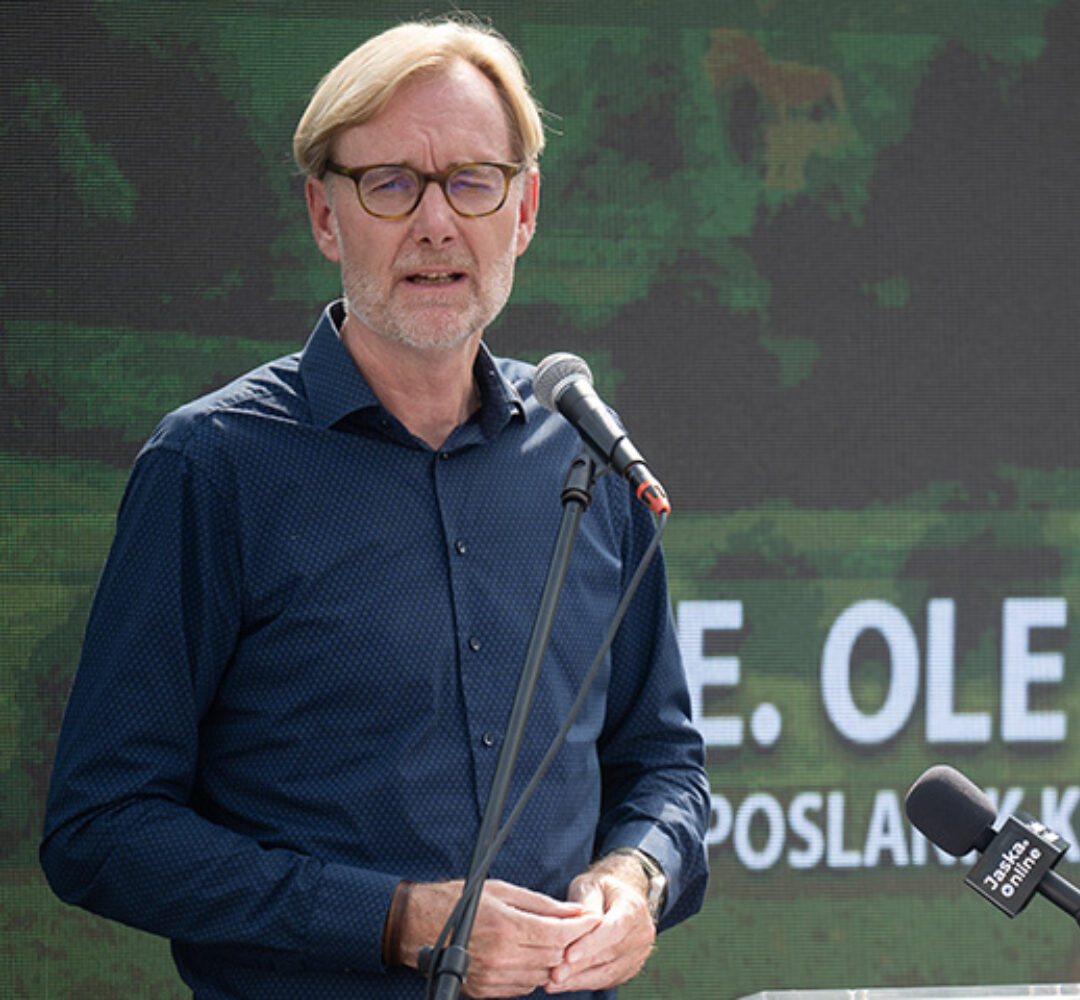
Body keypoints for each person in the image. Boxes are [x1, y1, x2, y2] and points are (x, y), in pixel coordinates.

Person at [39, 17, 710, 1000]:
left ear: (524, 210)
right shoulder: (212, 466)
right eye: (391, 184)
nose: (436, 224)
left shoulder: (586, 455)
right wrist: (393, 920)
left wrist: (637, 874)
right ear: (324, 214)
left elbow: (663, 766)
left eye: (473, 182)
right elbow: (100, 830)